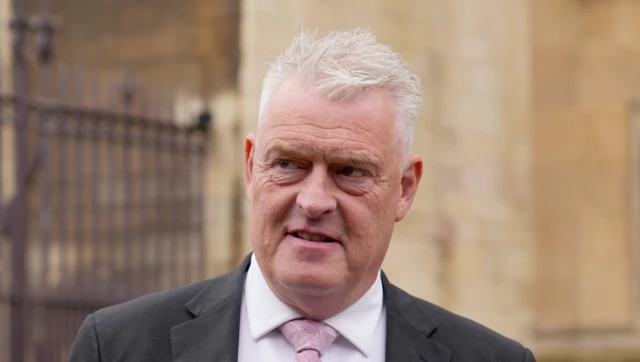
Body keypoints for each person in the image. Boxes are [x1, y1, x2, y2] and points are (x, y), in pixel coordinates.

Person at [69, 28, 536, 362]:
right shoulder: (115, 347)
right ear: (252, 167)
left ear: (404, 189)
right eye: (289, 164)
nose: (314, 202)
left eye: (349, 171)